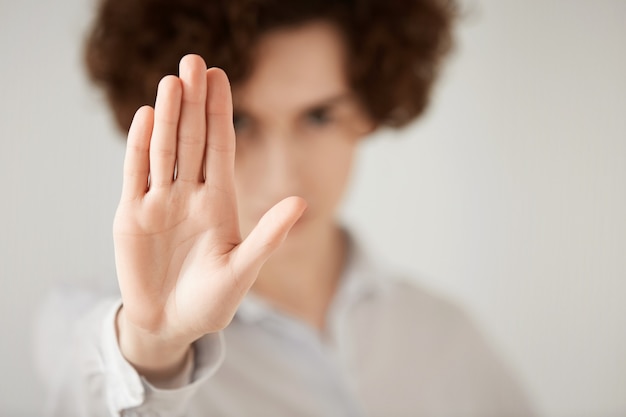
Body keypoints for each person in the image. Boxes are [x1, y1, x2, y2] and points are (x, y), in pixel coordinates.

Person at [36, 0, 536, 416]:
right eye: (239, 122)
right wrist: (154, 344)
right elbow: (100, 389)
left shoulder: (446, 336)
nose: (284, 179)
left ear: (370, 104)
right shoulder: (86, 328)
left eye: (318, 116)